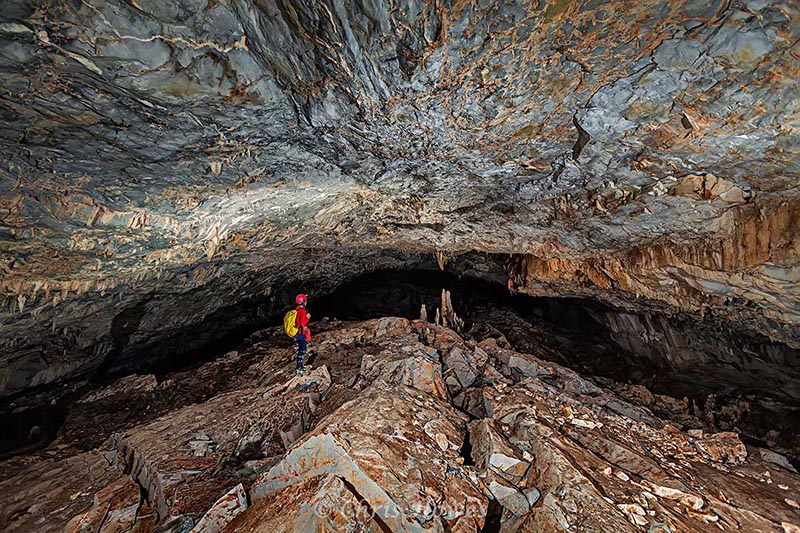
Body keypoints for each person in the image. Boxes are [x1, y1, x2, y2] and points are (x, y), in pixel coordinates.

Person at [294, 293, 311, 375]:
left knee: (301, 350)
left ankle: (299, 367)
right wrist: (308, 317)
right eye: (305, 300)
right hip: (301, 333)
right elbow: (303, 323)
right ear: (303, 302)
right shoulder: (303, 311)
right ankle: (299, 368)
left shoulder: (296, 310)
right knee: (302, 350)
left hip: (297, 333)